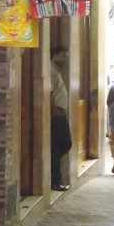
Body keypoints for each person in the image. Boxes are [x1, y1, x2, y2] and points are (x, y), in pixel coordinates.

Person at [49, 46, 72, 191]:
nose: (66, 59)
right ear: (54, 55)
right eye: (63, 56)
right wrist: (54, 110)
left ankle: (55, 180)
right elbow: (50, 92)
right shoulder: (50, 71)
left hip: (60, 113)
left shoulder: (55, 71)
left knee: (61, 146)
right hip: (56, 115)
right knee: (61, 145)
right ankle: (54, 181)